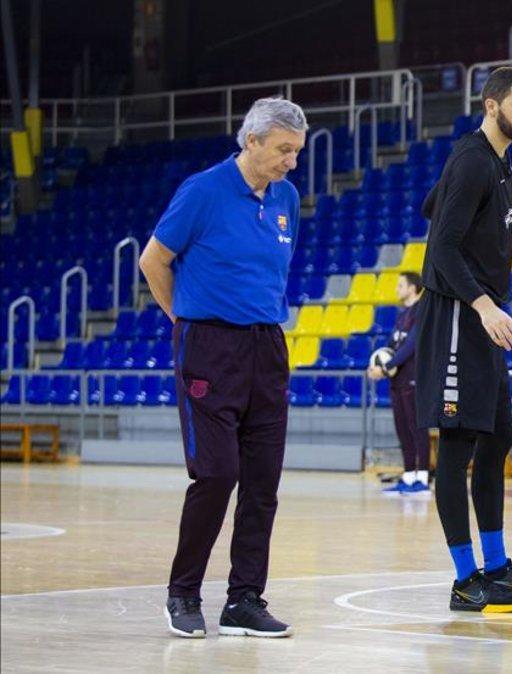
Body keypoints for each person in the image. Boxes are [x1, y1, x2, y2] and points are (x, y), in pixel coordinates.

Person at [141, 97, 307, 639]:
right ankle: (182, 593)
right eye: (284, 150)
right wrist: (183, 319)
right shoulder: (203, 191)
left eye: (296, 152)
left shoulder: (287, 198)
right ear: (252, 141)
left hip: (267, 348)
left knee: (262, 483)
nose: (291, 162)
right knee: (217, 474)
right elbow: (154, 261)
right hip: (208, 346)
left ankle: (244, 600)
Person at [415, 66, 512, 614]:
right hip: (458, 316)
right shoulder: (475, 160)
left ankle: (497, 568)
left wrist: (511, 250)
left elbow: (435, 206)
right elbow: (442, 247)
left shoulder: (495, 161)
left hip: (481, 319)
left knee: (497, 440)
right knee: (456, 447)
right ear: (491, 104)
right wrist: (482, 303)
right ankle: (464, 579)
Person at [371, 272, 430, 494]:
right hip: (397, 380)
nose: (397, 289)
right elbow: (390, 347)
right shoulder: (401, 315)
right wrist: (376, 365)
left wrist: (386, 367)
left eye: (401, 285)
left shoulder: (421, 311)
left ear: (413, 288)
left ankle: (422, 479)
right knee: (403, 429)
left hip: (415, 378)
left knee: (418, 429)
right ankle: (407, 476)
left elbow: (411, 346)